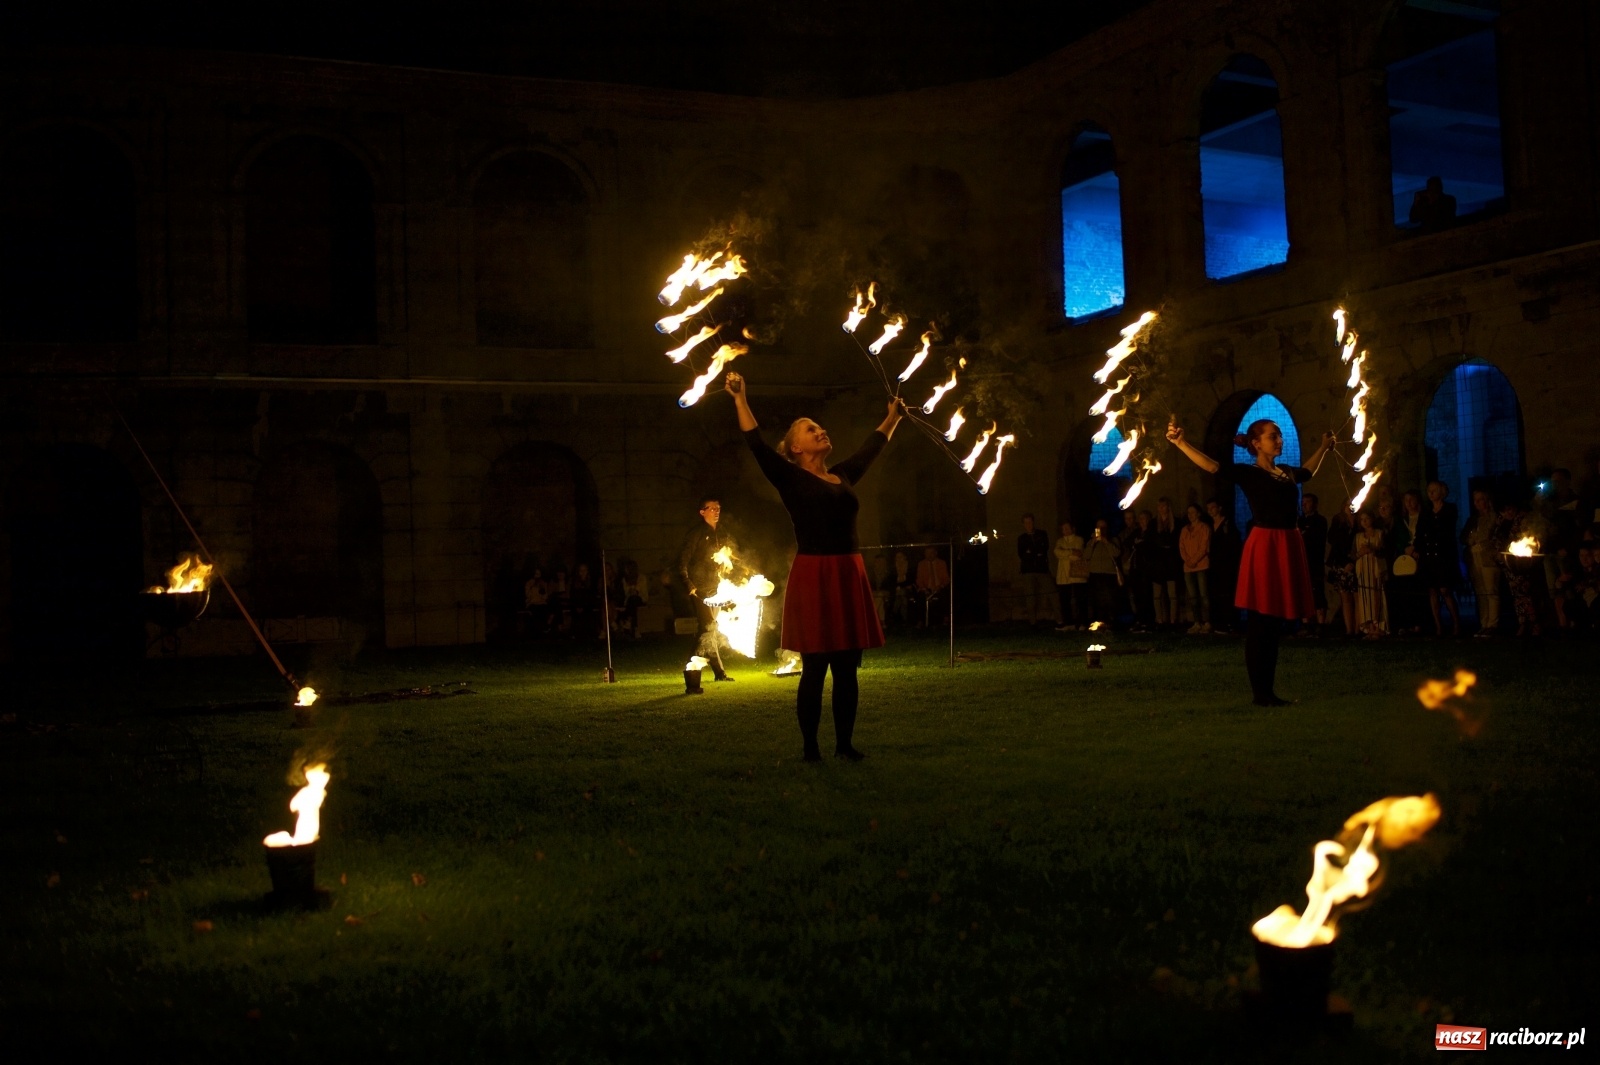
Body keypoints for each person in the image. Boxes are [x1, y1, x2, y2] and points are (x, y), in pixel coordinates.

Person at [725, 370, 904, 762]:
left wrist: (893, 417)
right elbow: (755, 443)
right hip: (816, 573)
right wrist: (741, 398)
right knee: (815, 667)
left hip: (848, 572)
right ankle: (810, 748)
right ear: (795, 449)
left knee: (847, 669)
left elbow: (870, 450)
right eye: (810, 430)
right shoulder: (789, 478)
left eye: (819, 427)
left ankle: (844, 745)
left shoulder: (841, 475)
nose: (820, 431)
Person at [1167, 416, 1335, 705]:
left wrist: (1323, 447)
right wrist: (1181, 443)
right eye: (1273, 436)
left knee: (1273, 625)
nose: (1279, 440)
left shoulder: (1284, 472)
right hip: (1267, 545)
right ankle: (1262, 693)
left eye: (1279, 436)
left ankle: (1267, 692)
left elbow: (1307, 472)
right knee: (1261, 621)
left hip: (1287, 541)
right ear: (1257, 443)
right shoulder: (1249, 473)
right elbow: (1212, 466)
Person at [678, 497, 737, 680]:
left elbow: (728, 559)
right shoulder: (695, 534)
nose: (716, 511)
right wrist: (689, 584)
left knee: (709, 630)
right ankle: (696, 670)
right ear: (702, 512)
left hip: (716, 588)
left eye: (718, 508)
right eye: (711, 508)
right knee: (707, 629)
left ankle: (714, 673)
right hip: (700, 588)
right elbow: (682, 561)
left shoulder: (722, 533)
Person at [1418, 480, 1462, 636]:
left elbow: (1447, 530)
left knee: (1445, 590)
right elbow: (1420, 533)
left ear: (1442, 492)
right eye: (1429, 490)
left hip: (1443, 556)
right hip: (1429, 557)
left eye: (1434, 490)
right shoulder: (1426, 512)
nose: (1431, 493)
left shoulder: (1450, 509)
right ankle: (1438, 626)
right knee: (1433, 591)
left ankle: (1456, 623)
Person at [1462, 488, 1502, 636]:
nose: (1478, 503)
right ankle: (1484, 623)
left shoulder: (1494, 517)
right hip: (1474, 559)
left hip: (1489, 558)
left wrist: (1483, 542)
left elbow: (1494, 536)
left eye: (1481, 499)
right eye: (1475, 500)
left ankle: (1493, 624)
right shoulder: (1473, 519)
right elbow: (1464, 536)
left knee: (1491, 591)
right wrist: (1470, 540)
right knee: (1480, 593)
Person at [1352, 509, 1389, 637]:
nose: (1364, 522)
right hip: (1363, 572)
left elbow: (1385, 552)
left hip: (1375, 571)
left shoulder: (1379, 534)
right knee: (1365, 600)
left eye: (1366, 519)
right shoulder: (1358, 537)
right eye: (1362, 520)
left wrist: (1373, 550)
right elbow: (1353, 555)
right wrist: (1360, 553)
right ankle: (1368, 627)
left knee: (1376, 598)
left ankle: (1378, 626)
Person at [1206, 498, 1240, 632]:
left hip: (1227, 564)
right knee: (1216, 593)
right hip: (1214, 564)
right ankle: (1219, 622)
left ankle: (1230, 622)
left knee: (1228, 592)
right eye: (1208, 509)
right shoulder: (1209, 524)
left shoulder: (1227, 523)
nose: (1210, 511)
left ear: (1219, 508)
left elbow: (1233, 542)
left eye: (1213, 508)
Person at [1298, 493, 1329, 633]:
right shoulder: (1299, 521)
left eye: (1307, 502)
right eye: (1302, 502)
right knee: (1303, 592)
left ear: (1314, 504)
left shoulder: (1320, 521)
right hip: (1301, 563)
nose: (1304, 505)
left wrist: (1305, 535)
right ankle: (1305, 623)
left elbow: (1315, 539)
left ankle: (1321, 624)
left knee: (1317, 591)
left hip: (1315, 562)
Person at [1016, 514, 1054, 625]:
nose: (1028, 525)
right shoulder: (1022, 538)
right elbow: (1022, 554)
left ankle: (1060, 620)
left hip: (1042, 569)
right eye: (1026, 522)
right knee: (1030, 597)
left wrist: (1034, 552)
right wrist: (1034, 553)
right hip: (1028, 570)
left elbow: (1044, 549)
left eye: (1030, 522)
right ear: (1023, 524)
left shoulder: (1041, 534)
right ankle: (1033, 622)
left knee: (1053, 593)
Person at [1148, 499, 1181, 629]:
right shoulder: (1153, 524)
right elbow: (1151, 541)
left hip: (1171, 561)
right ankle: (1160, 620)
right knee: (1157, 595)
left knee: (1172, 594)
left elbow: (1177, 540)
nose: (1161, 508)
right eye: (1159, 506)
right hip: (1158, 562)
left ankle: (1173, 621)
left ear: (1168, 507)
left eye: (1164, 506)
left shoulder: (1176, 522)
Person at [1179, 503, 1212, 633]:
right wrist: (1187, 560)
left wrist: (1194, 560)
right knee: (1193, 596)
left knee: (1204, 595)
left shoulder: (1204, 528)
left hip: (1201, 565)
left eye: (1193, 512)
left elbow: (1204, 547)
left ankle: (1207, 622)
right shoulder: (1184, 530)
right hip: (1188, 567)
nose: (1191, 515)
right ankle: (1197, 622)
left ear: (1198, 513)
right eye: (1189, 513)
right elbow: (1181, 547)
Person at [1084, 519, 1123, 624]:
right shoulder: (1091, 542)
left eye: (1103, 527)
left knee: (1109, 599)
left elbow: (1117, 553)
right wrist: (1093, 542)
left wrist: (1106, 541)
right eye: (1098, 527)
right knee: (1096, 600)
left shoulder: (1113, 540)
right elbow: (1086, 555)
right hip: (1095, 574)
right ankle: (1097, 621)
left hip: (1109, 574)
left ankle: (1110, 622)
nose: (1101, 530)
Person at [1053, 520, 1088, 630]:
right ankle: (1068, 623)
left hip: (1077, 575)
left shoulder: (1079, 539)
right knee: (1065, 600)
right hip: (1063, 576)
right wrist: (1070, 552)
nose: (1065, 530)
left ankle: (1082, 622)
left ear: (1072, 529)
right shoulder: (1059, 541)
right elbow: (1057, 552)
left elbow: (1078, 554)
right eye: (1063, 529)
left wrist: (1065, 552)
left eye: (1067, 528)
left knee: (1080, 600)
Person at [915, 546, 951, 626]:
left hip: (939, 588)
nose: (929, 555)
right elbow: (919, 579)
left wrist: (940, 586)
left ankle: (946, 618)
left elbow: (946, 579)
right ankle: (920, 620)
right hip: (926, 588)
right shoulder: (921, 564)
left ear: (935, 553)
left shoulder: (942, 563)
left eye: (931, 553)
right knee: (920, 597)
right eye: (927, 553)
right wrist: (924, 589)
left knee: (945, 595)